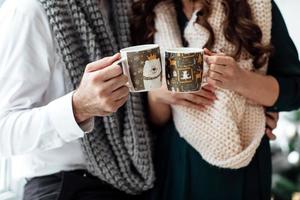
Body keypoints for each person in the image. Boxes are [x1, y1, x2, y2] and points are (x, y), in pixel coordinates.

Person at [131, 0, 300, 199]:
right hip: (175, 163)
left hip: (241, 160)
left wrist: (242, 80)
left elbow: (294, 90)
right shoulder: (148, 13)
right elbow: (150, 121)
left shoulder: (255, 5)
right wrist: (157, 94)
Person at [0, 0, 155, 199]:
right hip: (61, 187)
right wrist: (78, 107)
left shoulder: (122, 9)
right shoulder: (29, 10)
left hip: (126, 181)